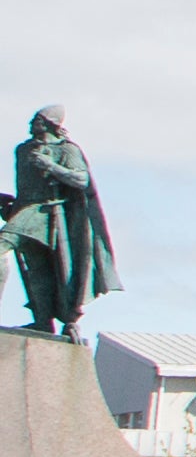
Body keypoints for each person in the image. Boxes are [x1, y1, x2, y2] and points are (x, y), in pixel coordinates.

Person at [9, 111, 116, 336]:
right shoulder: (23, 150)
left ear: (51, 124)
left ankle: (68, 319)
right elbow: (24, 188)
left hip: (51, 212)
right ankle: (42, 319)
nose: (31, 124)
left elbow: (81, 179)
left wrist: (52, 166)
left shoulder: (67, 149)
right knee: (36, 269)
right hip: (25, 212)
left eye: (37, 120)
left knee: (62, 270)